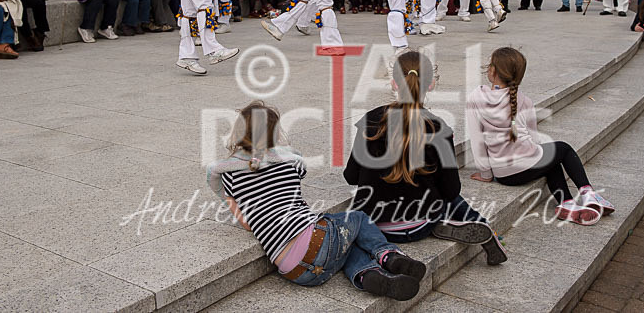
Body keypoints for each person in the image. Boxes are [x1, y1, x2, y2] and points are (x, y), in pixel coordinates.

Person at [206, 101, 427, 301]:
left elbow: (246, 223)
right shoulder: (289, 163)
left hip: (296, 272)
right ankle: (388, 256)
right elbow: (297, 164)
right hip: (316, 241)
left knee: (345, 247)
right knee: (356, 218)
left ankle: (367, 275)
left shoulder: (230, 176)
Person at [343, 50, 507, 265]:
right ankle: (482, 229)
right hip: (422, 223)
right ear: (431, 85)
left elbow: (351, 176)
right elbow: (451, 190)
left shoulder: (370, 120)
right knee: (450, 197)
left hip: (377, 224)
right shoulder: (439, 127)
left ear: (394, 83)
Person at [468, 47, 615, 225]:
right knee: (562, 149)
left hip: (505, 175)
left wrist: (485, 174)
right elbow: (534, 139)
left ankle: (567, 203)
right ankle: (588, 193)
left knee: (551, 163)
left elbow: (477, 140)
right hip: (526, 164)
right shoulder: (523, 100)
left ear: (492, 70)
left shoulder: (475, 97)